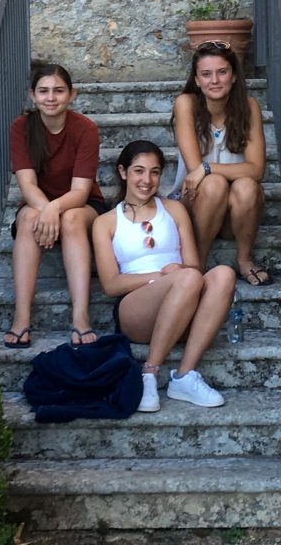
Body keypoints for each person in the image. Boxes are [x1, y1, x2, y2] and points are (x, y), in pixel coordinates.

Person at [93, 139, 235, 413]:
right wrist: (160, 277)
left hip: (183, 299)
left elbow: (193, 265)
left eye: (154, 172)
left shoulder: (174, 209)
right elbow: (111, 284)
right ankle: (149, 373)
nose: (147, 180)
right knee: (187, 278)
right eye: (139, 171)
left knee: (224, 275)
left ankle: (184, 376)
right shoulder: (106, 222)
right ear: (123, 172)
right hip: (137, 309)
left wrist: (179, 275)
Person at [5, 64, 106, 349]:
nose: (51, 98)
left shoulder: (85, 128)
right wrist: (46, 210)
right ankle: (21, 318)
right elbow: (27, 185)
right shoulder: (21, 127)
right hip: (37, 203)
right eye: (44, 91)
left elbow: (81, 192)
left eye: (58, 91)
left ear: (72, 95)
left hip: (82, 205)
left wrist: (53, 210)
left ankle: (81, 318)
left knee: (71, 218)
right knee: (28, 218)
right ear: (32, 95)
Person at [169, 40, 271, 286]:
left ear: (234, 76)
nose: (214, 80)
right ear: (196, 80)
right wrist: (205, 171)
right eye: (206, 74)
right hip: (195, 202)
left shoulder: (249, 107)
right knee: (214, 184)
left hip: (234, 213)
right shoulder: (186, 104)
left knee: (247, 186)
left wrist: (208, 167)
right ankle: (198, 262)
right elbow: (194, 173)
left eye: (222, 72)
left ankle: (244, 259)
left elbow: (256, 169)